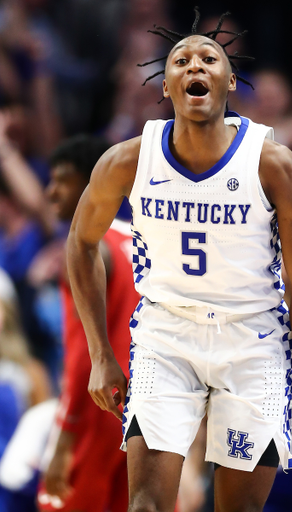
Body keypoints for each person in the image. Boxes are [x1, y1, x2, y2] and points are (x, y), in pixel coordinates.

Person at [66, 9, 292, 512]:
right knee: (145, 505)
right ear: (166, 85)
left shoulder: (272, 163)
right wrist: (102, 353)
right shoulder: (127, 159)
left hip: (252, 341)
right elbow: (80, 243)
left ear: (230, 81)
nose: (195, 66)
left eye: (209, 58)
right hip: (165, 336)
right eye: (181, 60)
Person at [37, 135, 139, 512]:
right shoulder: (142, 241)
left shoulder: (83, 250)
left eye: (62, 180)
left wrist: (63, 441)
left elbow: (82, 357)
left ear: (92, 182)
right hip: (148, 414)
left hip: (99, 412)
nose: (51, 192)